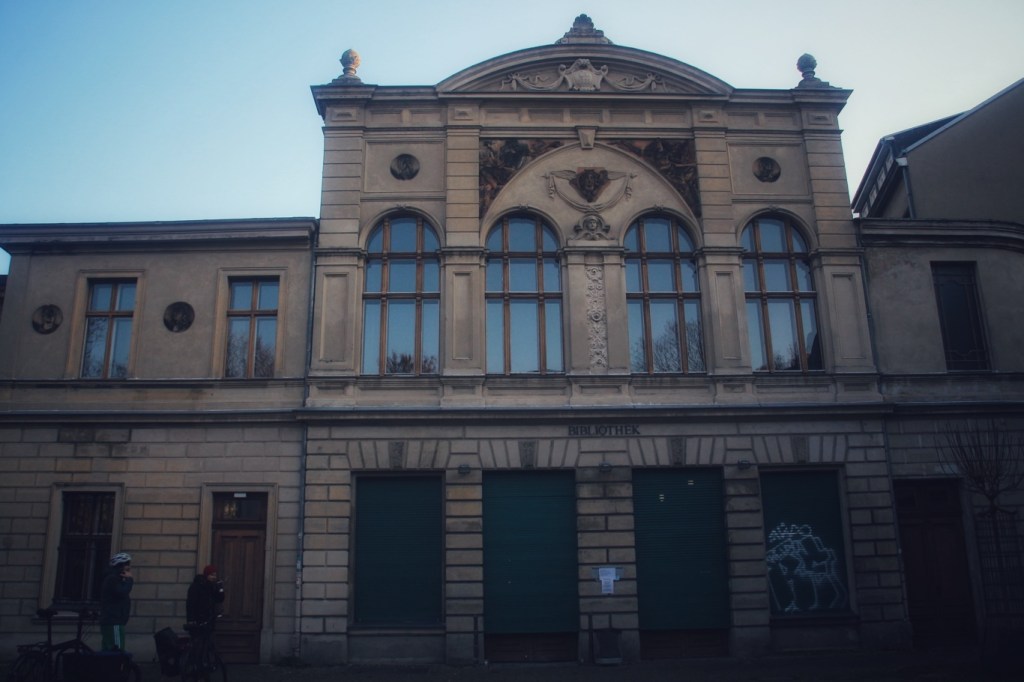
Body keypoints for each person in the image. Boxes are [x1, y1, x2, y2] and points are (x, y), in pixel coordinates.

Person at [99, 552, 134, 651]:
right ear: (122, 566)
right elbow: (122, 592)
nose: (129, 568)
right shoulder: (112, 579)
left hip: (112, 621)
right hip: (114, 621)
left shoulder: (113, 578)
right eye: (128, 564)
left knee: (109, 651)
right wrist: (129, 580)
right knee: (117, 651)